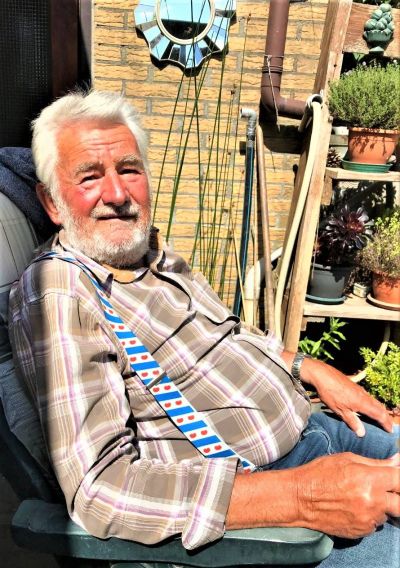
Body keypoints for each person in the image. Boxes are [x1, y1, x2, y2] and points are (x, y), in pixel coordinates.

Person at [8, 90, 399, 566]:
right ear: (51, 202)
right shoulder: (60, 293)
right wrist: (304, 496)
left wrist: (306, 366)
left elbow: (228, 334)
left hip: (315, 432)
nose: (117, 194)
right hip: (269, 509)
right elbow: (101, 490)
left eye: (129, 169)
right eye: (90, 177)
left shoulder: (150, 253)